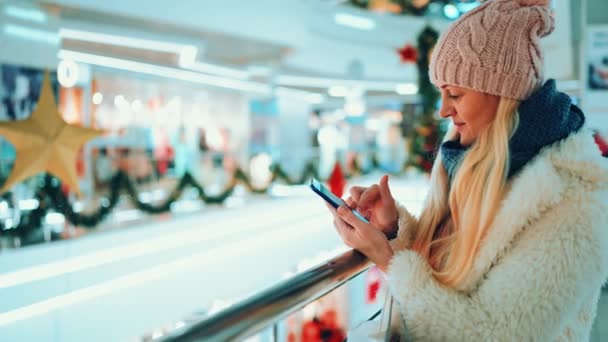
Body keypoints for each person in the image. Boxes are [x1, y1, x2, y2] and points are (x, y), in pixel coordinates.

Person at [327, 0, 608, 340]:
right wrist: (392, 231)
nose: (444, 110)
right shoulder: (471, 164)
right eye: (442, 94)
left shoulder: (578, 205)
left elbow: (492, 332)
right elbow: (451, 278)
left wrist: (388, 261)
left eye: (455, 94)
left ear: (503, 93)